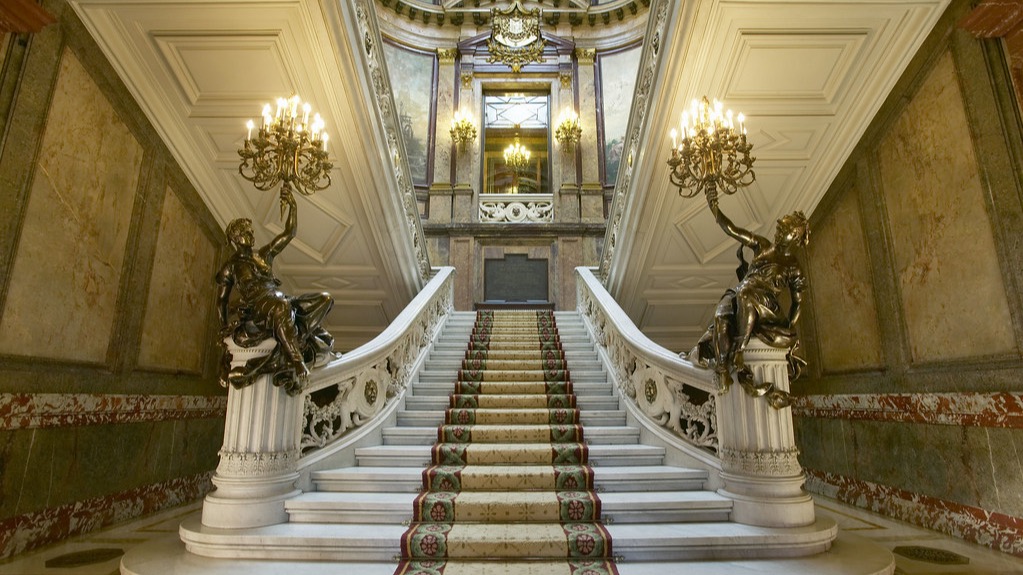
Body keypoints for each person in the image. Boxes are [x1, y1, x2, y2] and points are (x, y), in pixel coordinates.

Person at [216, 187, 334, 392]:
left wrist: (293, 207)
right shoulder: (231, 266)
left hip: (280, 299)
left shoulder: (263, 255)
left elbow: (289, 233)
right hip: (258, 306)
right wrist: (224, 327)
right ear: (235, 238)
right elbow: (222, 301)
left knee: (325, 299)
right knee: (281, 307)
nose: (250, 235)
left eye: (251, 232)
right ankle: (296, 361)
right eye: (245, 233)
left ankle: (292, 338)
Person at [689, 198, 809, 392]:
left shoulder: (793, 267)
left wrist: (788, 326)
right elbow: (733, 230)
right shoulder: (762, 245)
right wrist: (715, 209)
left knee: (745, 295)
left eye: (784, 232)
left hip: (766, 305)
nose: (779, 234)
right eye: (779, 229)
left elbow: (798, 301)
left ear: (795, 237)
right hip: (741, 291)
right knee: (721, 315)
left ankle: (738, 351)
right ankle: (722, 369)